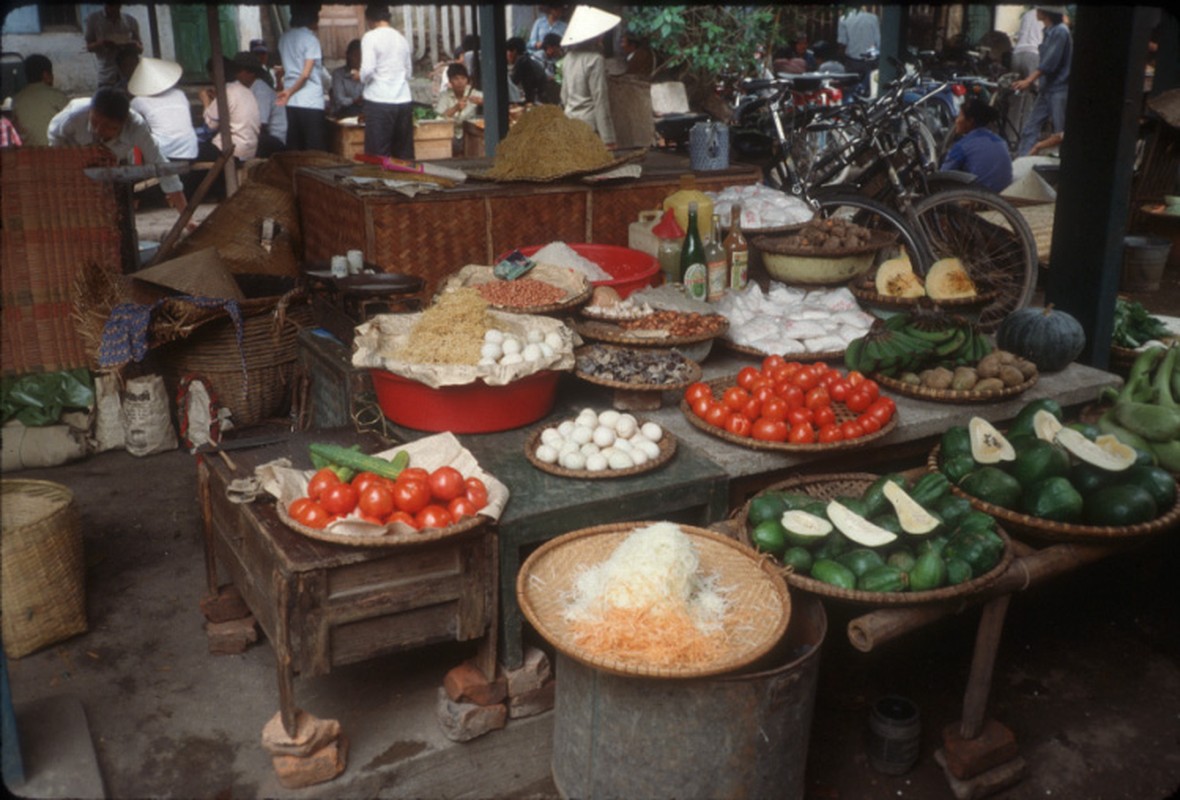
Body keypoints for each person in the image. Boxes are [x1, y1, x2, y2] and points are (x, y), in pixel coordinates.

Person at [48, 87, 187, 213]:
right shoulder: (73, 116)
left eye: (109, 127)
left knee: (118, 212)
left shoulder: (136, 127)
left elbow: (161, 166)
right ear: (90, 111)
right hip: (75, 163)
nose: (98, 131)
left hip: (116, 165)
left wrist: (186, 217)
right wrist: (67, 161)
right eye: (95, 122)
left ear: (124, 122)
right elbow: (54, 135)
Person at [1012, 4, 1072, 156]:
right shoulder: (1047, 31)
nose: (1036, 12)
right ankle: (1022, 162)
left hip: (1059, 88)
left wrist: (1029, 80)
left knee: (1060, 132)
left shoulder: (1060, 32)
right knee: (1030, 128)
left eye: (1039, 10)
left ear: (1046, 13)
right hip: (1047, 88)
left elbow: (1049, 63)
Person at [359, 3, 414, 159]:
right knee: (403, 153)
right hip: (403, 100)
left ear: (370, 20)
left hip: (379, 100)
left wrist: (360, 77)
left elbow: (367, 70)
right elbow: (408, 72)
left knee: (378, 154)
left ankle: (378, 183)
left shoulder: (370, 37)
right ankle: (405, 183)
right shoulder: (401, 38)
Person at [560, 5, 619, 147]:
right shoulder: (595, 59)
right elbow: (600, 100)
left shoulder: (568, 58)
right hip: (589, 126)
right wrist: (608, 138)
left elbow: (564, 96)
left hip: (570, 122)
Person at [128, 57, 198, 162]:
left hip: (163, 153)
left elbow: (129, 122)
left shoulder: (138, 101)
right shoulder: (179, 94)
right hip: (190, 150)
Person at [276, 3, 327, 151]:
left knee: (295, 149)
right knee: (314, 150)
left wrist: (289, 92)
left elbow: (288, 68)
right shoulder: (311, 40)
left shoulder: (284, 38)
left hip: (292, 102)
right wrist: (290, 91)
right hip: (310, 101)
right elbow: (305, 74)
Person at [940, 98, 1013, 193]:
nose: (956, 121)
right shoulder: (1000, 141)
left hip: (979, 199)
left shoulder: (963, 146)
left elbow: (942, 176)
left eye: (959, 116)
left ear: (970, 121)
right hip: (1004, 195)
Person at [200, 56, 262, 162]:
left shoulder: (226, 93)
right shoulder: (246, 91)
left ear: (213, 75)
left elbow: (210, 126)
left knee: (193, 151)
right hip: (249, 149)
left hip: (231, 150)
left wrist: (205, 102)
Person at [11, 54, 68, 147]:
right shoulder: (57, 96)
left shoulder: (17, 99)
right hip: (58, 153)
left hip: (29, 155)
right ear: (46, 75)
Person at [238, 51, 286, 157]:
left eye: (239, 71)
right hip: (261, 135)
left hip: (274, 140)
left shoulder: (261, 90)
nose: (236, 75)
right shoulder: (248, 88)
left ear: (251, 72)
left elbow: (261, 125)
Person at [84, 4, 143, 88]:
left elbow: (140, 49)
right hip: (107, 72)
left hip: (128, 73)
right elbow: (89, 47)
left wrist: (132, 45)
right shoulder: (94, 20)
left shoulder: (130, 21)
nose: (114, 8)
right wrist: (102, 43)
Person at [1009, 6, 1043, 138]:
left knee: (1016, 96)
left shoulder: (1027, 14)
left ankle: (1011, 136)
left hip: (1017, 54)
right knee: (1034, 96)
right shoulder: (1046, 15)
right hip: (1033, 54)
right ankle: (1026, 136)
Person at [434, 62, 482, 155]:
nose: (460, 82)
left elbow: (491, 102)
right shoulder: (445, 96)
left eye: (463, 78)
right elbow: (438, 118)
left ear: (467, 80)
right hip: (451, 135)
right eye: (456, 79)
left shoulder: (473, 93)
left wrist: (481, 102)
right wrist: (455, 108)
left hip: (470, 135)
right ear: (450, 81)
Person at [837, 5, 880, 97]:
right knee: (871, 91)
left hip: (852, 61)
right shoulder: (873, 18)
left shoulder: (844, 19)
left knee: (851, 92)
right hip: (871, 60)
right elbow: (878, 42)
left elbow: (842, 43)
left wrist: (842, 60)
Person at [506, 36, 548, 105]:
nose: (507, 55)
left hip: (537, 100)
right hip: (540, 97)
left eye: (507, 51)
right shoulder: (527, 59)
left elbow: (513, 82)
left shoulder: (521, 61)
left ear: (514, 51)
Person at [330, 39, 365, 118]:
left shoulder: (365, 74)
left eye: (360, 55)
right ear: (348, 55)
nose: (358, 59)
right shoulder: (338, 74)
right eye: (355, 55)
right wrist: (355, 101)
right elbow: (339, 100)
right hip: (344, 112)